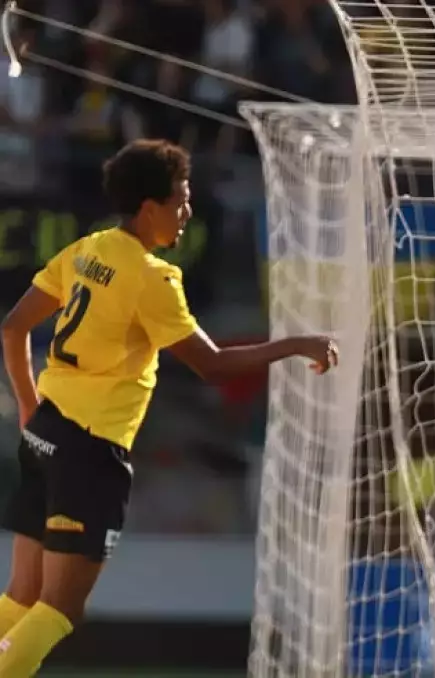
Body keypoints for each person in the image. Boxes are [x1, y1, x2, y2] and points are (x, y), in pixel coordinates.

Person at [0, 139, 338, 675]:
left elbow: (13, 326)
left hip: (45, 432)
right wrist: (295, 344)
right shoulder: (152, 278)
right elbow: (214, 365)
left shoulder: (87, 249)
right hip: (89, 449)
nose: (187, 211)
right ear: (148, 208)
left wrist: (26, 405)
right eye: (180, 199)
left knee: (21, 594)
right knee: (58, 608)